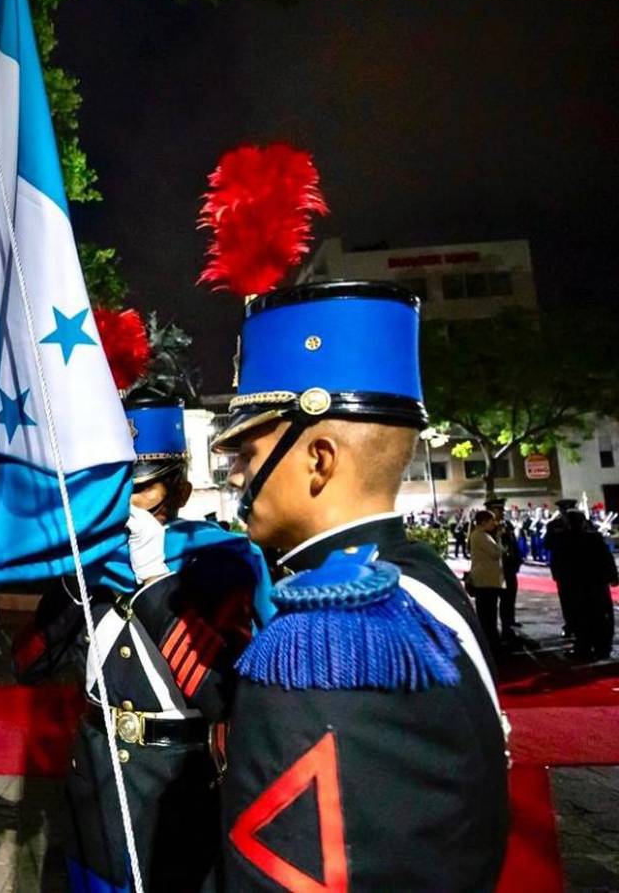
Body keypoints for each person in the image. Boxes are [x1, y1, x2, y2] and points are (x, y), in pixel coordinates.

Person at [212, 280, 509, 890]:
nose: (237, 471)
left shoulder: (328, 635)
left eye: (247, 448)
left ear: (319, 458)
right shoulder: (415, 579)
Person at [12, 394, 270, 892]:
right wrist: (73, 582)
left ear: (180, 489)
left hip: (176, 781)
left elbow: (223, 695)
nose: (125, 503)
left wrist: (154, 583)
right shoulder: (92, 562)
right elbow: (32, 663)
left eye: (142, 487)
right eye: (115, 488)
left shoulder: (219, 561)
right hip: (95, 773)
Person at [561, 510, 618, 659]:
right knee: (601, 617)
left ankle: (584, 647)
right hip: (596, 584)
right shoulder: (593, 538)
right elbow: (607, 559)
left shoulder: (566, 540)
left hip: (580, 585)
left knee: (582, 617)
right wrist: (613, 577)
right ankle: (602, 648)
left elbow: (564, 565)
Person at [468, 509, 505, 652]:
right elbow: (496, 553)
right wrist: (499, 538)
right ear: (483, 522)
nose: (494, 524)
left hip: (485, 580)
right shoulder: (480, 536)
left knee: (487, 612)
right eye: (491, 521)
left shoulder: (479, 535)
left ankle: (490, 640)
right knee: (488, 614)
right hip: (485, 581)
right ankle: (491, 643)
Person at [487, 497, 522, 638]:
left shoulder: (506, 525)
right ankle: (494, 629)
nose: (502, 512)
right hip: (495, 568)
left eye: (502, 509)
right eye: (498, 510)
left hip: (509, 567)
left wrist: (517, 559)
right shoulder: (486, 527)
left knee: (509, 597)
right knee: (494, 600)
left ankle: (508, 624)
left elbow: (513, 544)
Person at [545, 498, 578, 635]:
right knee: (568, 599)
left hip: (573, 568)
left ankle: (575, 626)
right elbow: (548, 544)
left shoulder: (580, 523)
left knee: (573, 599)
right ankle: (571, 625)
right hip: (564, 568)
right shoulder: (554, 525)